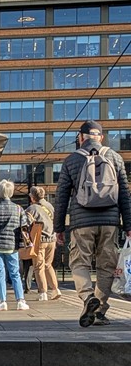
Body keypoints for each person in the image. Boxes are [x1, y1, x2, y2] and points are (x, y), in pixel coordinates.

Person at [54, 119, 131, 327]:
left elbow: (61, 197)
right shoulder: (114, 157)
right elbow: (124, 193)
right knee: (107, 266)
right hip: (110, 222)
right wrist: (129, 226)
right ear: (101, 137)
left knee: (79, 263)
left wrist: (59, 228)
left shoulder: (72, 160)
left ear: (81, 138)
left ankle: (88, 297)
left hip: (82, 221)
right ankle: (99, 310)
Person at [0, 179, 30, 312]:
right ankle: (20, 300)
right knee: (15, 274)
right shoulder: (18, 209)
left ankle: (2, 302)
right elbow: (24, 228)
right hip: (12, 245)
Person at [26, 185, 61, 301]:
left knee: (38, 266)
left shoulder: (32, 209)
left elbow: (26, 223)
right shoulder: (50, 206)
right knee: (48, 265)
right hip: (52, 239)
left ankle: (43, 293)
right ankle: (55, 289)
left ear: (32, 197)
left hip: (39, 240)